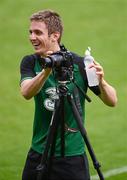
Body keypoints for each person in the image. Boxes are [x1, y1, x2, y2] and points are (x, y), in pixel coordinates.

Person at [20, 9, 117, 180]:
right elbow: (26, 92)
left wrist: (101, 81)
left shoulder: (78, 64)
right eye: (30, 32)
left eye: (38, 32)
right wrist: (46, 71)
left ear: (54, 35)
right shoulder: (31, 61)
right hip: (39, 152)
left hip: (72, 157)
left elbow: (112, 101)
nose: (32, 37)